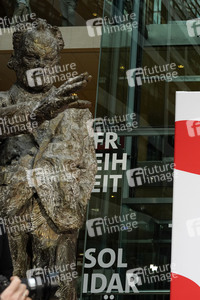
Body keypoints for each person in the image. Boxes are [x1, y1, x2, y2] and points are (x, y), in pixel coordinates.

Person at [0, 18, 97, 300]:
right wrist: (39, 111)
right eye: (32, 56)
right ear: (15, 59)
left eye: (49, 59)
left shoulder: (77, 113)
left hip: (58, 215)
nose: (40, 66)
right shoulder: (3, 103)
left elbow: (88, 165)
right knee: (10, 288)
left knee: (60, 293)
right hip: (9, 215)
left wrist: (74, 207)